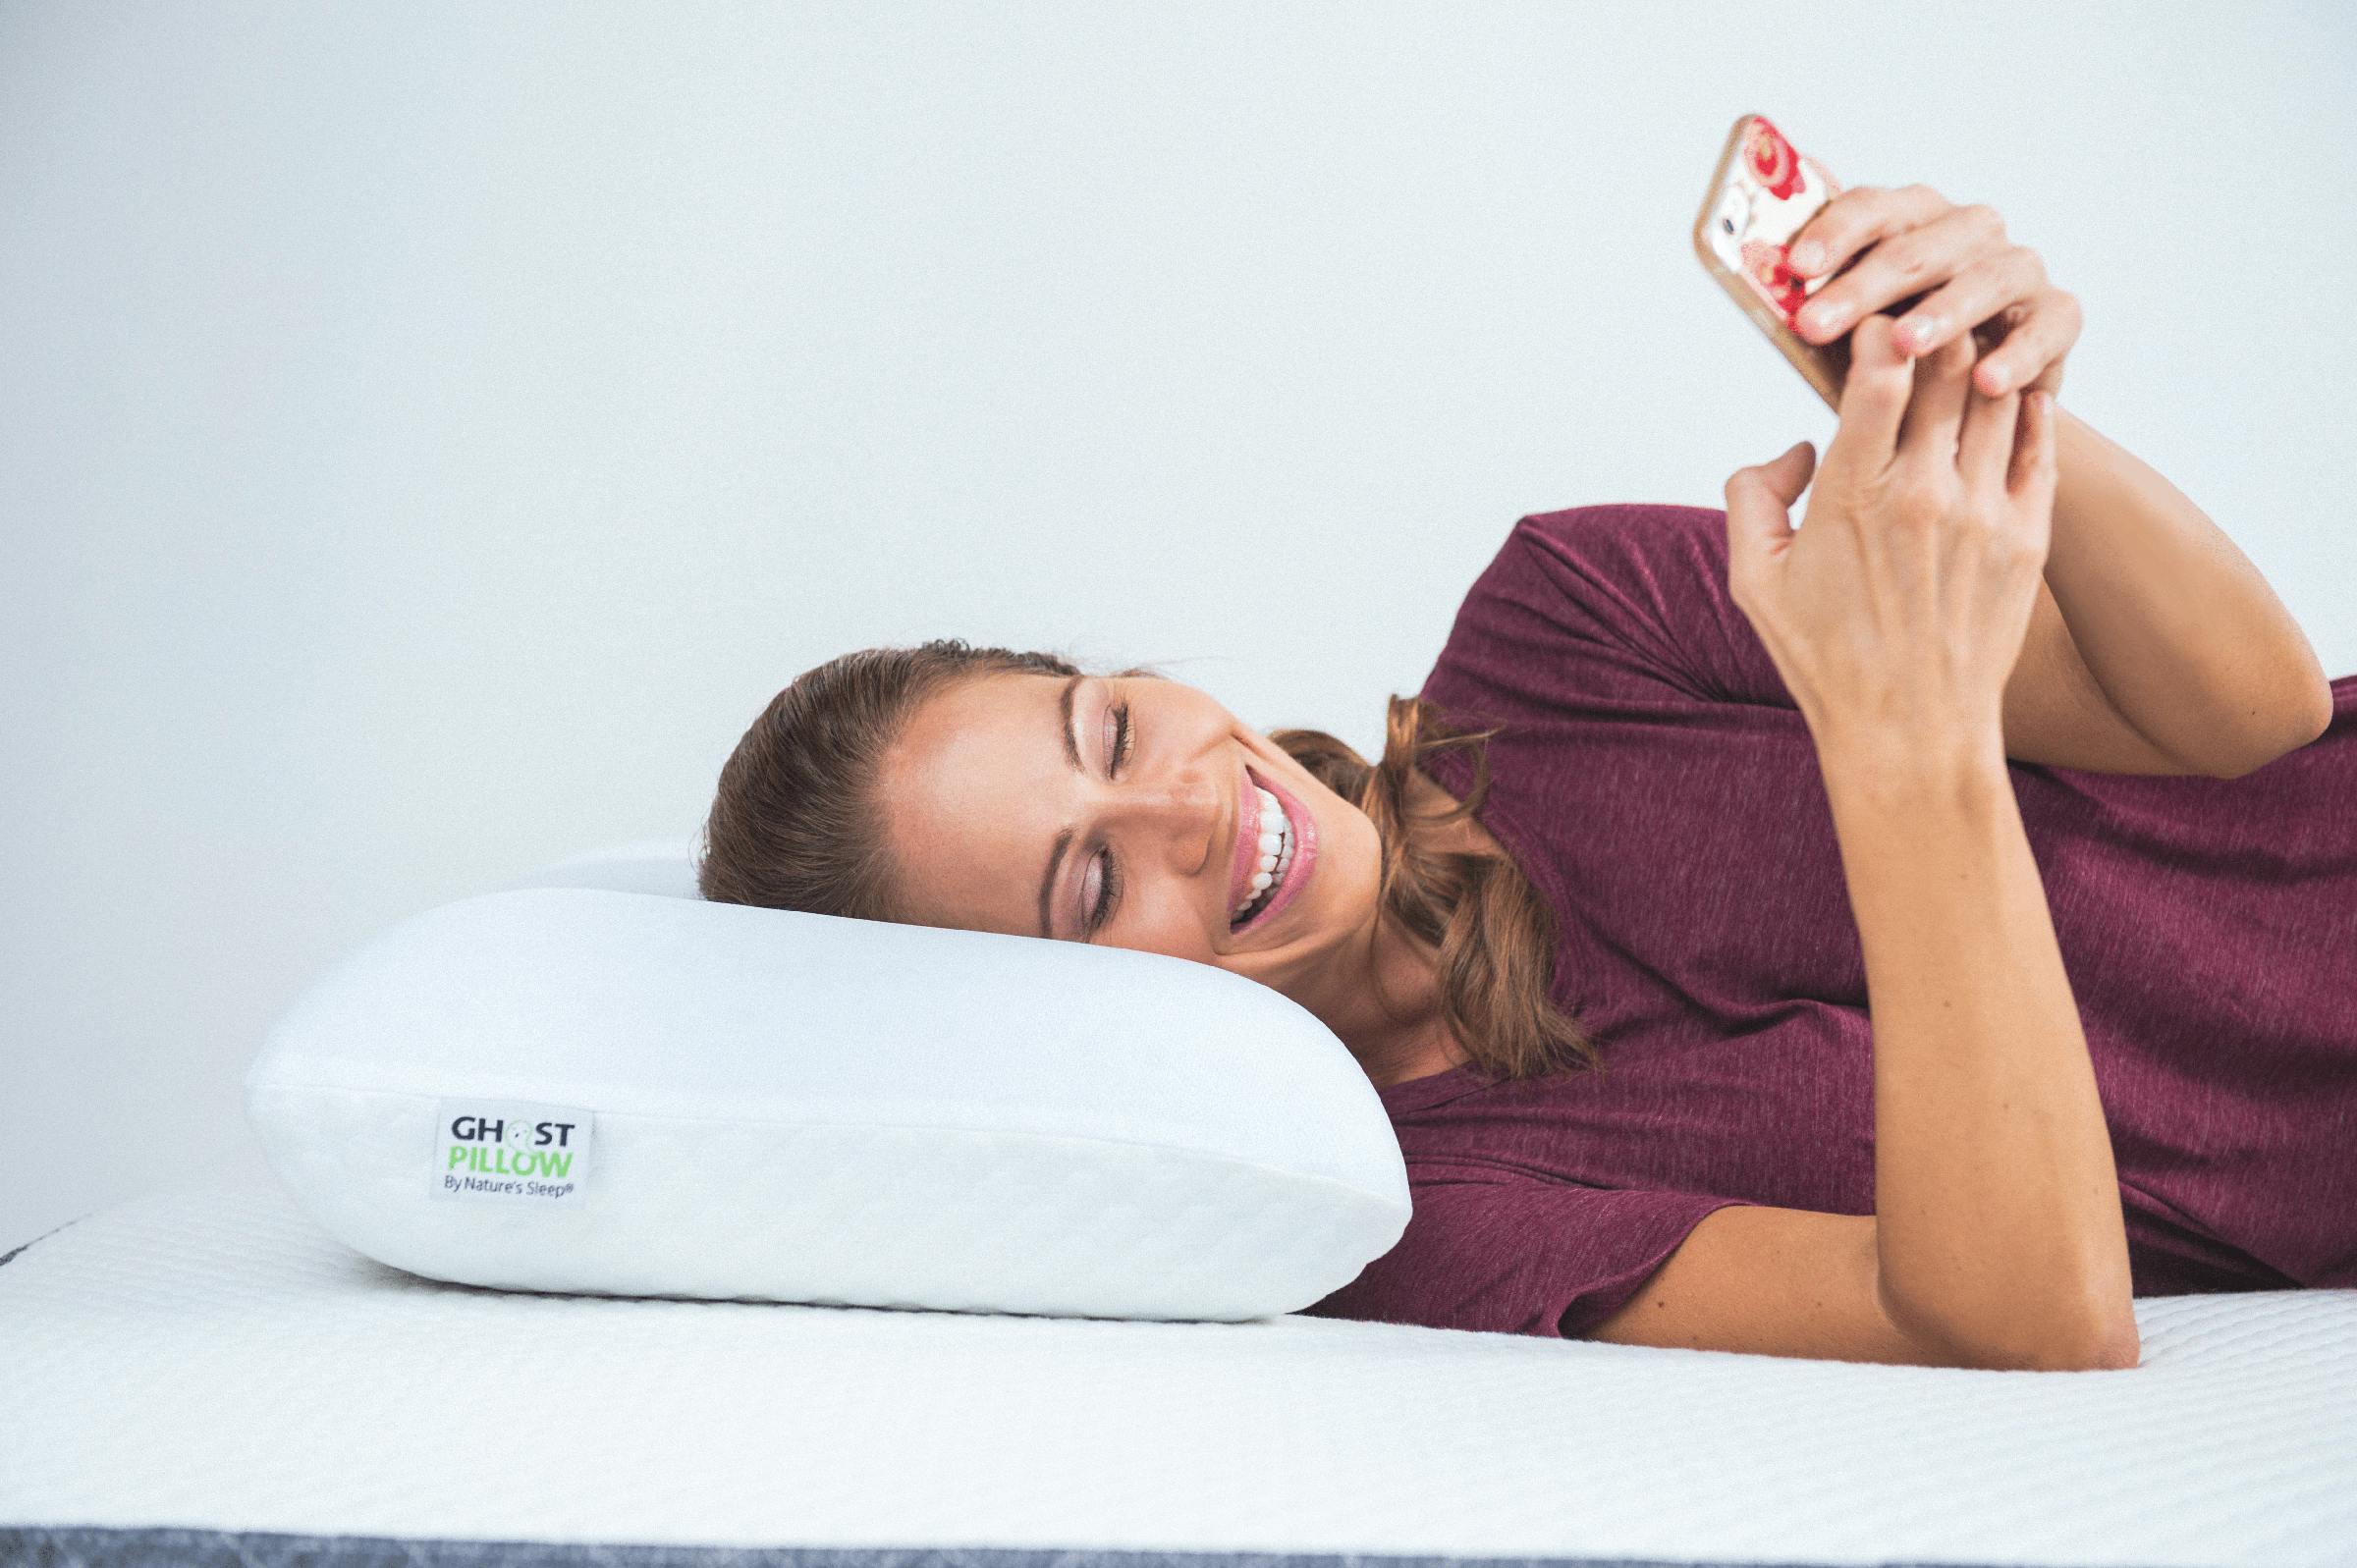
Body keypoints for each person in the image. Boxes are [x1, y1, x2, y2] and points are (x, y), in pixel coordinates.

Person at [697, 185, 2352, 1372]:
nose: (1188, 806)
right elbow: (2030, 1321)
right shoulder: (1417, 1216)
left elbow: (2257, 713)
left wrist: (1990, 383)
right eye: (1090, 884)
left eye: (1113, 729)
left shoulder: (1567, 619)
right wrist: (1902, 740)